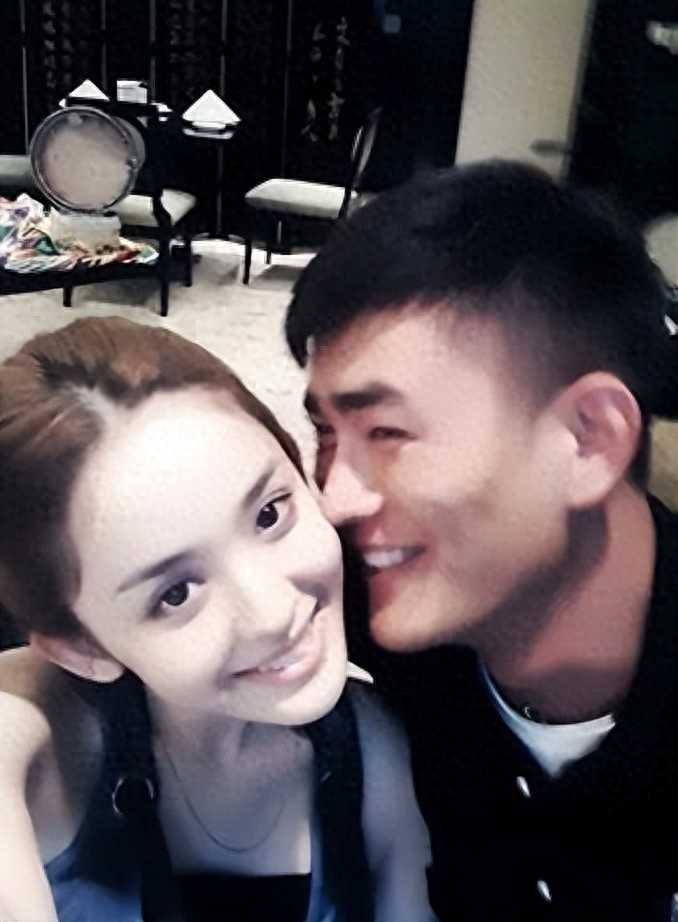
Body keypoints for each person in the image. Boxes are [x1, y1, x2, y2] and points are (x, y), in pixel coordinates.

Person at [285, 159, 678, 922]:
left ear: (587, 440)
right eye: (327, 434)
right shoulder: (369, 593)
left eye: (387, 432)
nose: (334, 498)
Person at [0, 316, 433, 922]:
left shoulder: (375, 755)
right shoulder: (40, 747)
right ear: (82, 648)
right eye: (176, 593)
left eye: (269, 515)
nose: (271, 613)